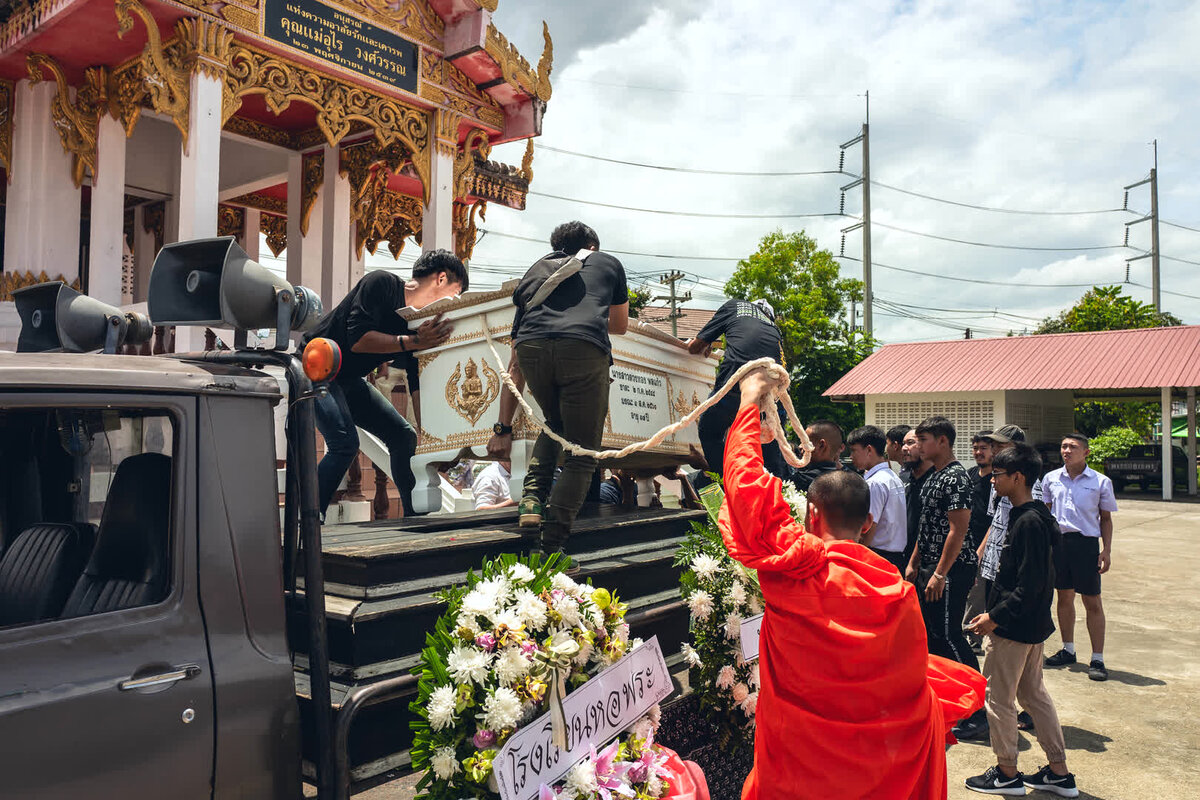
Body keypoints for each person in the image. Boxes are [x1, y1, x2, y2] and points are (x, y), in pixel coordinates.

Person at [720, 368, 984, 800]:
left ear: (810, 517)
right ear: (866, 524)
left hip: (801, 766)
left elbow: (745, 485)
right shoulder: (898, 592)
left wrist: (749, 403)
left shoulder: (793, 571)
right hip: (881, 773)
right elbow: (908, 683)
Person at [486, 221, 629, 558]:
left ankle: (532, 499)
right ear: (592, 245)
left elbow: (514, 357)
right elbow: (620, 325)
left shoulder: (536, 271)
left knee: (555, 423)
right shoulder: (606, 262)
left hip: (531, 349)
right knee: (582, 454)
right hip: (582, 348)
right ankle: (552, 546)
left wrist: (502, 425)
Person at [307, 250, 465, 517]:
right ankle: (309, 520)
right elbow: (358, 339)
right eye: (456, 292)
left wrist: (430, 434)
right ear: (440, 279)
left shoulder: (416, 324)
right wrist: (414, 341)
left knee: (404, 437)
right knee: (344, 444)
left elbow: (417, 380)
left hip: (348, 380)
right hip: (316, 370)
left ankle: (415, 518)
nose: (454, 302)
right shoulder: (381, 284)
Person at [966, 443, 1079, 798]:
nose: (993, 480)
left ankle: (1006, 772)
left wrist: (994, 618)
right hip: (1030, 625)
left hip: (1014, 627)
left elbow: (1030, 584)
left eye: (998, 474)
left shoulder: (1029, 520)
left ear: (1018, 477)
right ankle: (1059, 772)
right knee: (1033, 694)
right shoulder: (1033, 515)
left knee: (998, 698)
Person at [1042, 433, 1118, 682]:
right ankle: (1068, 649)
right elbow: (1045, 513)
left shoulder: (1100, 481)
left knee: (1092, 601)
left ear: (1085, 452)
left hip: (1086, 545)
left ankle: (1097, 658)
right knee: (1063, 597)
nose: (1066, 450)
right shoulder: (1051, 479)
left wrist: (1106, 550)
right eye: (1063, 446)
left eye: (1072, 447)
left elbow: (1105, 519)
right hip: (1059, 544)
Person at [907, 416, 978, 672]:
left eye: (923, 441)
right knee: (933, 635)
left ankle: (976, 699)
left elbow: (957, 531)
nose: (918, 446)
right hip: (930, 565)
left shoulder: (956, 477)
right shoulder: (933, 475)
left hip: (951, 568)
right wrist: (914, 562)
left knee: (948, 635)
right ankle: (949, 693)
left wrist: (939, 574)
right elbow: (925, 525)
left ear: (943, 441)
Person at [687, 298, 788, 479]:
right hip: (772, 391)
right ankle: (779, 493)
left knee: (709, 431)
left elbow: (694, 347)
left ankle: (725, 485)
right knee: (771, 445)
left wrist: (706, 343)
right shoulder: (774, 329)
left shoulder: (734, 306)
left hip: (736, 382)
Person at [847, 424, 907, 572]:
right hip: (896, 556)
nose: (851, 456)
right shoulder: (892, 477)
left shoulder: (875, 483)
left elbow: (869, 528)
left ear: (869, 450)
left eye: (854, 450)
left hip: (878, 556)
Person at [964, 431, 995, 652]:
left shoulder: (998, 479)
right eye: (975, 448)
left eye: (983, 448)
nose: (978, 452)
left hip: (989, 546)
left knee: (980, 592)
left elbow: (996, 519)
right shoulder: (970, 475)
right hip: (967, 543)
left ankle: (973, 638)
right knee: (970, 591)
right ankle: (972, 635)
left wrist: (981, 549)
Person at [788, 419, 845, 491]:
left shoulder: (802, 481)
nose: (800, 446)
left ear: (821, 445)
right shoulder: (850, 482)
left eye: (805, 442)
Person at [902, 428, 932, 565]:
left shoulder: (937, 479)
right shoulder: (903, 477)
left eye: (910, 443)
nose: (904, 448)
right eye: (903, 443)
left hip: (927, 559)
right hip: (902, 555)